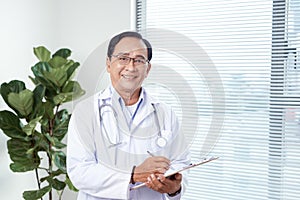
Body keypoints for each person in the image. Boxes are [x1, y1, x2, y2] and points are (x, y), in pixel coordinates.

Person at [67, 31, 191, 200]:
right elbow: (80, 171)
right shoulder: (86, 112)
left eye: (139, 60)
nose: (131, 67)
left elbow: (181, 162)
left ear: (147, 69)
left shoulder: (165, 113)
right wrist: (133, 175)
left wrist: (174, 188)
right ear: (109, 64)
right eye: (123, 58)